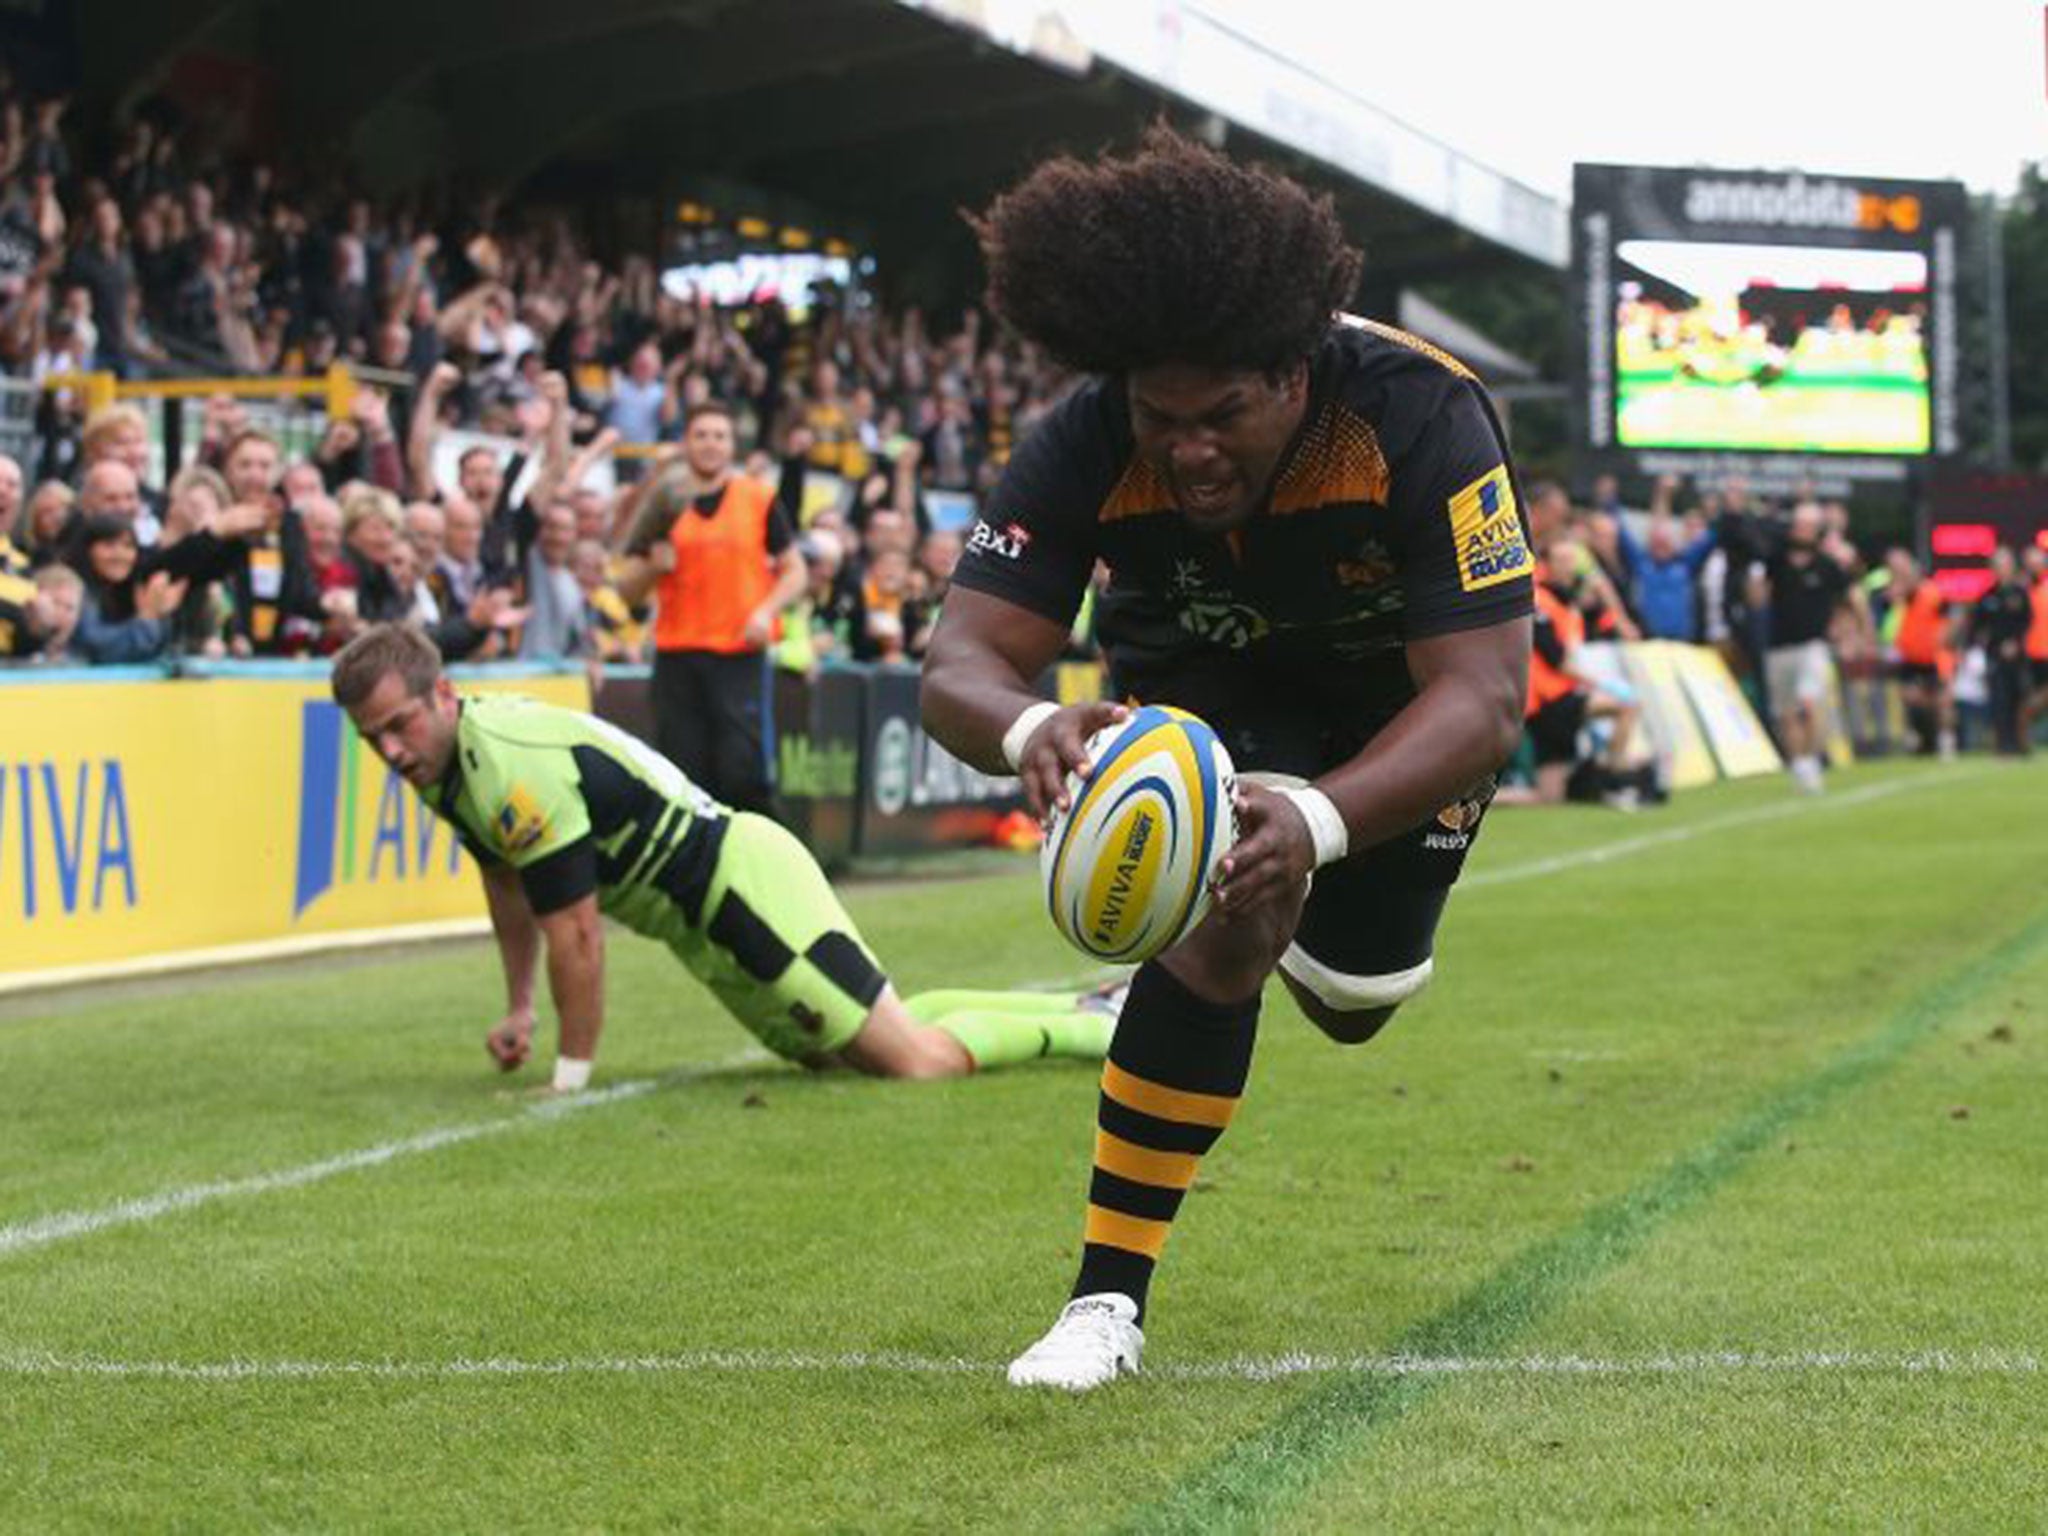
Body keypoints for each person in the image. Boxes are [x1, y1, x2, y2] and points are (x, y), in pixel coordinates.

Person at [920, 127, 1531, 1390]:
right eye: (1161, 419)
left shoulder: (1422, 412)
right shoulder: (1087, 435)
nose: (1187, 451)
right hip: (1206, 694)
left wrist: (1314, 821)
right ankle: (1102, 1307)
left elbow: (1481, 697)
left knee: (1357, 999)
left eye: (1221, 418)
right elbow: (959, 665)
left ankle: (1301, 906)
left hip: (1391, 717)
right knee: (1212, 936)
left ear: (1295, 374)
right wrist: (1032, 727)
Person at [330, 623, 1116, 1091]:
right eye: (374, 740)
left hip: (737, 887)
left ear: (443, 695)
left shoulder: (506, 762)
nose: (392, 750)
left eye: (400, 724)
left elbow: (576, 933)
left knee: (916, 1064)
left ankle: (1097, 1028)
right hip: (699, 923)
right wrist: (520, 1008)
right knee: (848, 1058)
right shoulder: (443, 764)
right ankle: (1086, 1007)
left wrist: (568, 1077)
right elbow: (503, 878)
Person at [617, 401, 806, 817]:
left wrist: (764, 612)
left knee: (744, 773)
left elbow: (796, 571)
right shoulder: (664, 501)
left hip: (739, 655)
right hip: (677, 656)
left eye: (719, 435)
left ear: (732, 444)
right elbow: (625, 589)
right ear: (686, 442)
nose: (710, 444)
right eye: (701, 434)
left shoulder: (758, 498)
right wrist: (652, 566)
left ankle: (768, 869)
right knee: (684, 780)